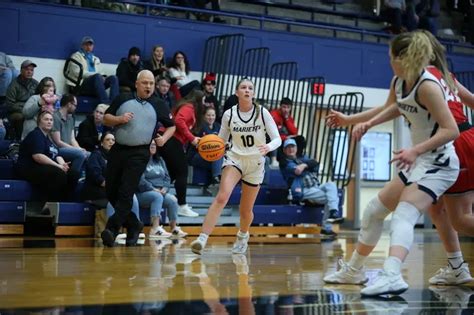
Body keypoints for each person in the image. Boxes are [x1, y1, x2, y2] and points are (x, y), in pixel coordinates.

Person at [326, 30, 474, 286]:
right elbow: (395, 107)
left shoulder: (429, 82)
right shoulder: (418, 79)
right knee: (434, 210)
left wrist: (415, 149)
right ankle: (456, 267)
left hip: (452, 144)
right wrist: (355, 121)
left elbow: (448, 126)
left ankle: (403, 273)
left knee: (455, 217)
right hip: (436, 147)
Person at [190, 78, 281, 255]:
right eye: (243, 87)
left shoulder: (262, 113)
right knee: (222, 197)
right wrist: (208, 143)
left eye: (250, 88)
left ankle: (243, 235)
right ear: (236, 92)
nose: (247, 90)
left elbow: (277, 138)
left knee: (245, 210)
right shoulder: (229, 114)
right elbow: (221, 141)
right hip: (235, 159)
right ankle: (202, 239)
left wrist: (268, 147)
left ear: (253, 93)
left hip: (255, 162)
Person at [101, 70, 176, 247]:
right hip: (118, 149)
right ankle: (134, 225)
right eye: (145, 83)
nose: (148, 86)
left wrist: (163, 139)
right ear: (137, 84)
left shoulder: (159, 104)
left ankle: (112, 229)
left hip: (140, 153)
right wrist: (119, 119)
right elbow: (105, 119)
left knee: (126, 191)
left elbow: (172, 127)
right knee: (112, 191)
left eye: (151, 83)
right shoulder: (123, 98)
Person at [16, 111, 76, 213]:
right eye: (46, 119)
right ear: (39, 121)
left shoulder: (48, 138)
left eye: (51, 120)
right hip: (29, 167)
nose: (49, 122)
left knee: (74, 174)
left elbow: (57, 154)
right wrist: (58, 166)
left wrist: (62, 164)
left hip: (43, 167)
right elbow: (38, 156)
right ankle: (46, 205)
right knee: (58, 173)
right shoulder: (36, 135)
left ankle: (61, 206)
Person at [281, 138, 342, 238]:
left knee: (331, 185)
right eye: (288, 147)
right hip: (304, 190)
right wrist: (308, 165)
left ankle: (333, 212)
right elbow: (298, 171)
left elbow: (316, 164)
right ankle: (327, 226)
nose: (291, 149)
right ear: (284, 150)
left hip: (316, 186)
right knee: (331, 198)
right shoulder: (285, 162)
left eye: (292, 146)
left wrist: (305, 165)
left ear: (296, 148)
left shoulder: (302, 158)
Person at [160, 89, 205, 217]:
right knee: (182, 172)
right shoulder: (189, 107)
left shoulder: (187, 106)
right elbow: (179, 120)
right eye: (203, 100)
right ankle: (182, 205)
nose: (204, 103)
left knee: (172, 173)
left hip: (170, 140)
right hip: (171, 140)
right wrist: (191, 138)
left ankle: (161, 195)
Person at [137, 142, 188, 239]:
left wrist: (165, 188)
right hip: (142, 193)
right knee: (157, 196)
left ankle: (174, 228)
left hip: (160, 191)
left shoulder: (160, 160)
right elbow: (140, 179)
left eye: (154, 145)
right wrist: (153, 189)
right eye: (150, 145)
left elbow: (167, 177)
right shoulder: (140, 160)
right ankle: (155, 229)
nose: (153, 146)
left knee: (173, 200)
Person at [65, 36, 119, 104]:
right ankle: (106, 104)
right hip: (81, 85)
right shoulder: (76, 56)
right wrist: (96, 75)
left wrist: (103, 76)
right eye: (86, 44)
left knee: (114, 78)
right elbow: (78, 73)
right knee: (97, 77)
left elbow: (101, 72)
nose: (88, 47)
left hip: (97, 83)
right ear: (82, 46)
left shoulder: (95, 59)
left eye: (90, 45)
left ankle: (115, 104)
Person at [51, 94, 89, 181]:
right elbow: (58, 142)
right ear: (69, 104)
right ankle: (72, 178)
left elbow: (72, 139)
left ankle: (83, 179)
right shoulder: (55, 117)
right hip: (58, 149)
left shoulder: (71, 118)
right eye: (75, 105)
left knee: (89, 155)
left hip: (68, 148)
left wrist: (79, 148)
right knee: (80, 154)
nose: (76, 107)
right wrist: (77, 150)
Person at [5, 60, 39, 140]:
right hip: (16, 112)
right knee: (21, 117)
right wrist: (25, 109)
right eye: (27, 69)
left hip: (32, 109)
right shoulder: (14, 85)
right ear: (21, 70)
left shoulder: (35, 84)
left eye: (31, 70)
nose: (29, 72)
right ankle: (20, 140)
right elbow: (9, 105)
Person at [188, 107, 223, 184]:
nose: (211, 117)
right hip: (197, 155)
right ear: (204, 116)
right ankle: (216, 176)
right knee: (216, 153)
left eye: (213, 115)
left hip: (211, 156)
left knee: (219, 153)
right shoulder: (198, 126)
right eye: (208, 115)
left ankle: (217, 178)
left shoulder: (218, 126)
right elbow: (193, 143)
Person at [269, 97, 306, 167]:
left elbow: (294, 132)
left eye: (288, 107)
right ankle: (274, 160)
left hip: (286, 140)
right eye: (284, 107)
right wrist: (285, 137)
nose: (286, 110)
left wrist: (286, 119)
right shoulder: (274, 115)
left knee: (301, 139)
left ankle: (297, 158)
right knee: (275, 139)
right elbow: (271, 132)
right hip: (277, 139)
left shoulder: (288, 117)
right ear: (280, 107)